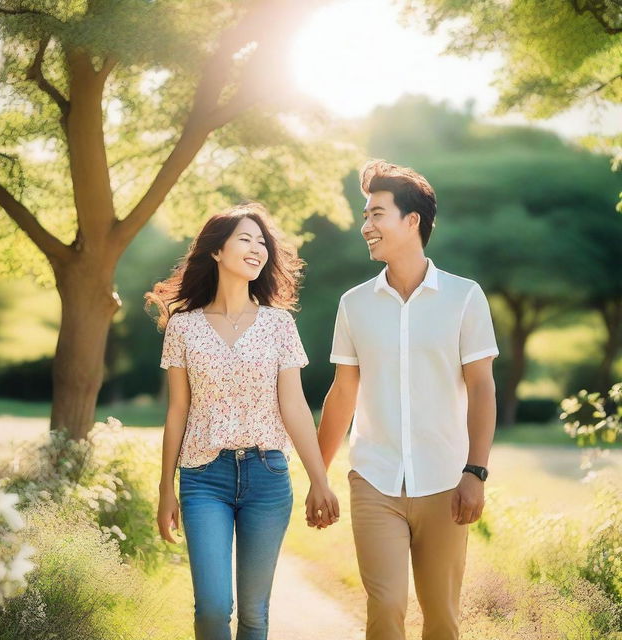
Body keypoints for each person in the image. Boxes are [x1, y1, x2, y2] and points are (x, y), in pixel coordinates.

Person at [316, 160, 499, 640]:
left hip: (445, 481)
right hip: (374, 479)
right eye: (365, 215)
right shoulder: (354, 303)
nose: (366, 227)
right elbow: (342, 392)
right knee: (387, 605)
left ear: (411, 221)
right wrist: (319, 475)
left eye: (377, 214)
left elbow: (482, 387)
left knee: (441, 618)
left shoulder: (464, 297)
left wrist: (475, 472)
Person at [146, 203, 339, 640]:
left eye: (262, 242)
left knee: (254, 614)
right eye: (245, 239)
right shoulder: (184, 326)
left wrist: (320, 479)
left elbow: (294, 406)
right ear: (216, 251)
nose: (257, 249)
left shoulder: (278, 325)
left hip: (267, 475)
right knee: (213, 609)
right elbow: (177, 411)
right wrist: (165, 488)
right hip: (202, 479)